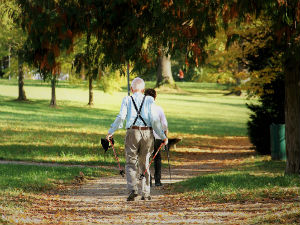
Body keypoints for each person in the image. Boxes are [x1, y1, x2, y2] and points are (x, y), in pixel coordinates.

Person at [106, 77, 168, 201]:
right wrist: (163, 136)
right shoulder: (150, 100)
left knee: (130, 162)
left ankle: (133, 190)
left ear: (131, 89)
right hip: (147, 133)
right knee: (145, 161)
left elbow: (121, 117)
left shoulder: (127, 99)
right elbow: (155, 121)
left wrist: (111, 131)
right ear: (143, 89)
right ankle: (146, 193)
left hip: (132, 132)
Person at [144, 88, 168, 187]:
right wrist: (165, 136)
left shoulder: (142, 109)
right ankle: (157, 180)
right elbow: (164, 124)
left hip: (145, 135)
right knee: (157, 158)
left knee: (146, 157)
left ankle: (148, 180)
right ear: (155, 97)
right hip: (157, 136)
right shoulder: (159, 109)